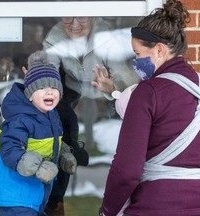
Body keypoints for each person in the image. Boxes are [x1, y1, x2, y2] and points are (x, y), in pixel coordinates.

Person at [99, 0, 200, 216]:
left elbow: (126, 172)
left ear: (160, 50)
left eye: (137, 54)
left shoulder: (148, 92)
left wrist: (107, 210)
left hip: (163, 206)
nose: (136, 61)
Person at [42, 17, 140, 215]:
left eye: (82, 18)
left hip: (106, 85)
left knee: (132, 128)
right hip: (72, 87)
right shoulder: (55, 36)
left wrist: (115, 93)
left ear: (93, 18)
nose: (75, 24)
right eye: (69, 17)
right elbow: (48, 73)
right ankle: (55, 202)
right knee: (61, 125)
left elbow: (125, 82)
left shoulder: (105, 37)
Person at [0, 55, 78, 216]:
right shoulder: (20, 119)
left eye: (54, 88)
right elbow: (10, 150)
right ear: (30, 94)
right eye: (42, 88)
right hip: (16, 195)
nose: (49, 91)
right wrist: (38, 167)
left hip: (34, 195)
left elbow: (47, 143)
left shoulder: (50, 115)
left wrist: (63, 155)